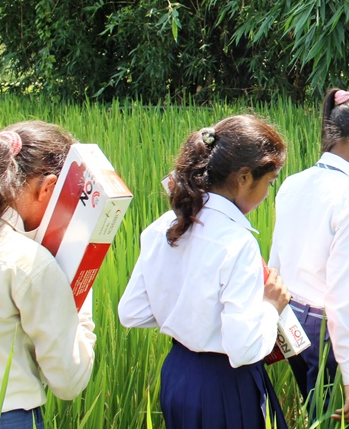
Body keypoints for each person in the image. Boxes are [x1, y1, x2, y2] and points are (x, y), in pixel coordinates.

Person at [118, 115, 290, 429]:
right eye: (269, 181)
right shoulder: (236, 243)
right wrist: (270, 308)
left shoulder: (163, 227)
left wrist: (187, 312)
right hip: (224, 383)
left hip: (177, 376)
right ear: (243, 177)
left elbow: (132, 312)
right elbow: (245, 347)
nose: (267, 194)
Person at [0, 122, 96, 429]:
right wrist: (79, 290)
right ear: (48, 187)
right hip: (6, 419)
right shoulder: (29, 263)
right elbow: (69, 380)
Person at [269, 89, 349, 422]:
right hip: (325, 330)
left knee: (313, 413)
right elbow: (342, 296)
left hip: (288, 317)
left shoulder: (294, 182)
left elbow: (275, 264)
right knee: (328, 418)